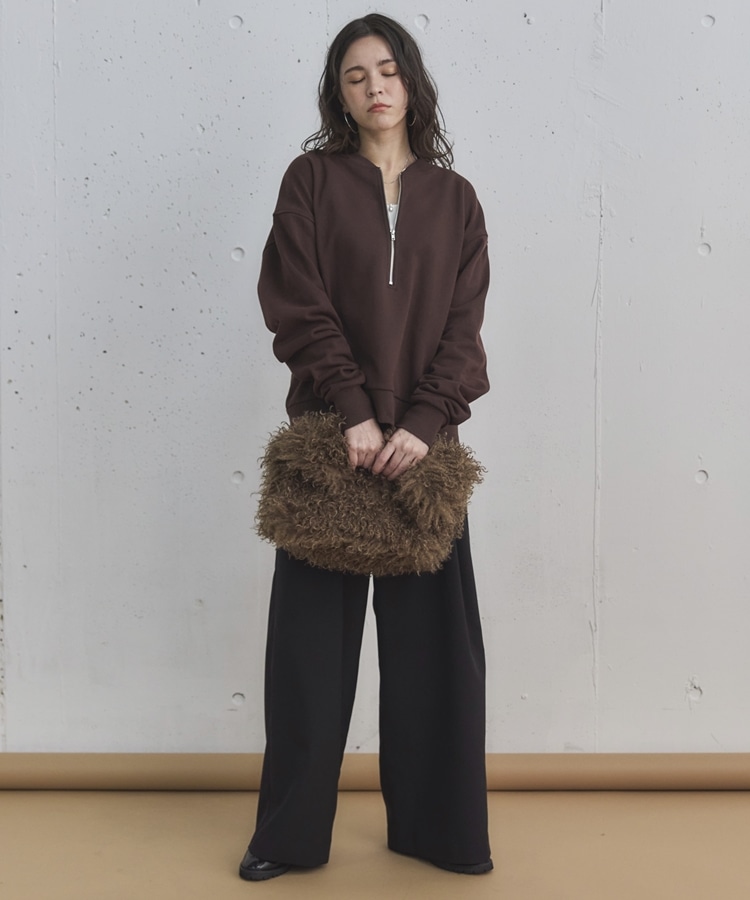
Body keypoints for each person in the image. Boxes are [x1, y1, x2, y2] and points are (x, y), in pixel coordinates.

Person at [239, 13, 492, 881]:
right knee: (307, 659)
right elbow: (296, 302)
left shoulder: (456, 200)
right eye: (355, 76)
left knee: (438, 659)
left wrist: (421, 424)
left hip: (424, 457)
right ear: (338, 96)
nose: (375, 87)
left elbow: (464, 330)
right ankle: (286, 838)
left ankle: (442, 834)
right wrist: (352, 410)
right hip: (330, 444)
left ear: (411, 82)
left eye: (387, 70)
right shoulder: (310, 182)